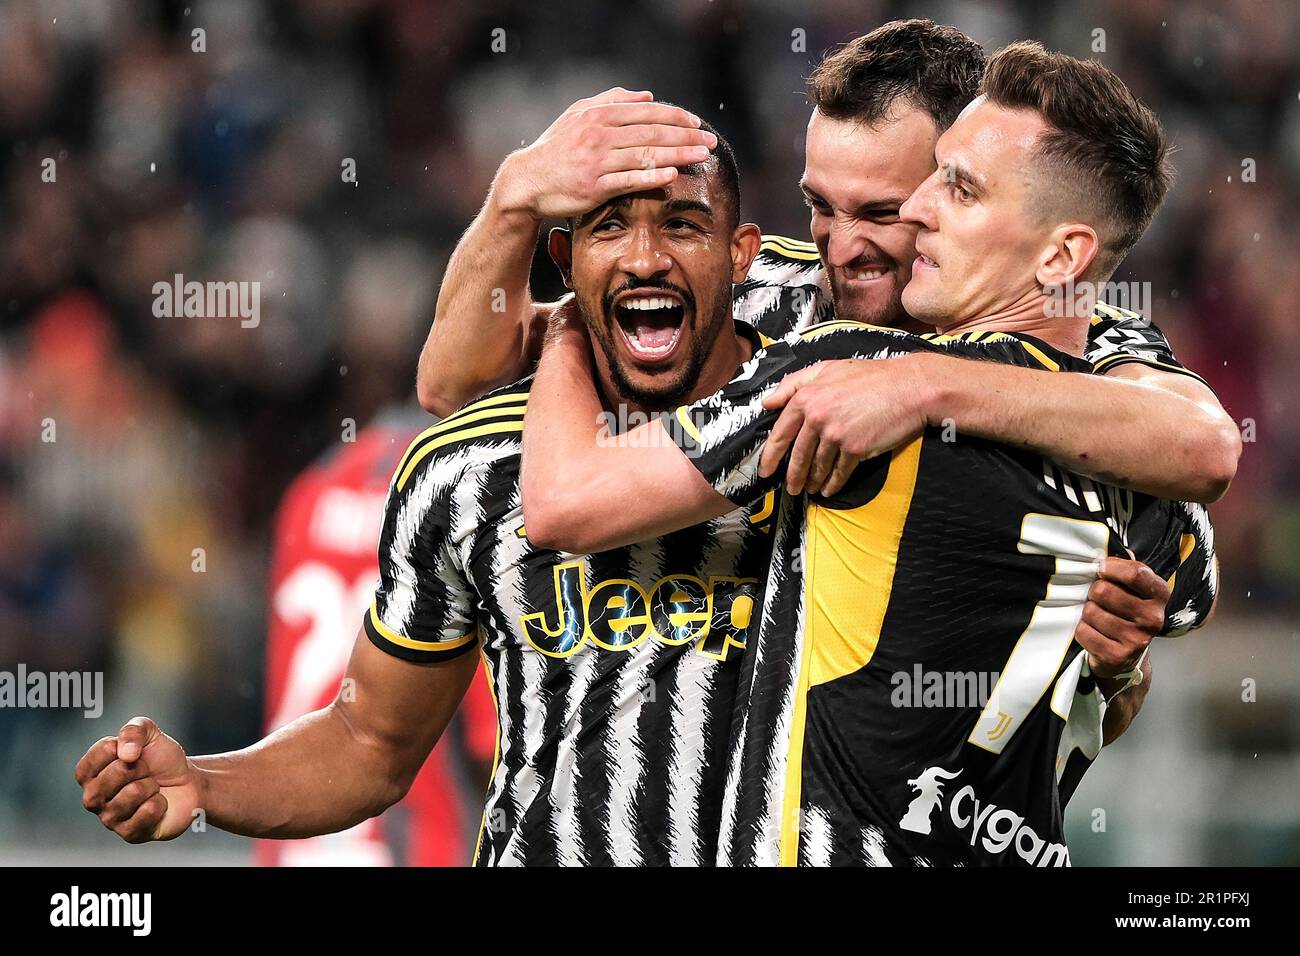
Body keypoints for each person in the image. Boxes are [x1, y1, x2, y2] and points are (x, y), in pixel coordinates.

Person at [74, 128, 1165, 865]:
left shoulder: (840, 431)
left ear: (742, 254)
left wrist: (1106, 673)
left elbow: (993, 714)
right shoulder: (463, 474)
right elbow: (367, 742)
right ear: (564, 260)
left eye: (681, 225)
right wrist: (205, 784)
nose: (645, 254)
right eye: (608, 227)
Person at [520, 42, 1218, 866]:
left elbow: (564, 501)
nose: (918, 208)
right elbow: (1141, 626)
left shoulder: (854, 372)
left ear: (1061, 257)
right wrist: (1121, 675)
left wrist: (569, 319)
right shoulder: (1150, 488)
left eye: (958, 187)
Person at [416, 19, 1239, 510]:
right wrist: (514, 200)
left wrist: (923, 383)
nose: (842, 248)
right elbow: (456, 384)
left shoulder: (1063, 332)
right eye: (821, 207)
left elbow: (1201, 446)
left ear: (953, 178)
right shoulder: (758, 284)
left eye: (882, 212)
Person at [257, 406, 496, 866]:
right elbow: (498, 743)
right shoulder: (464, 493)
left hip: (292, 838)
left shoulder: (311, 489)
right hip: (409, 842)